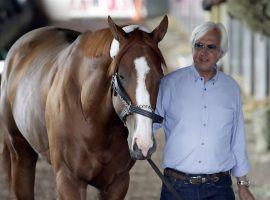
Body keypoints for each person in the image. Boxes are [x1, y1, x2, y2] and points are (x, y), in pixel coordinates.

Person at [154, 22, 255, 200]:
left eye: (211, 47)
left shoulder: (231, 88)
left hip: (220, 189)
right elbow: (146, 127)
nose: (203, 52)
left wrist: (242, 185)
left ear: (221, 53)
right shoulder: (169, 84)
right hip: (177, 188)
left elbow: (237, 140)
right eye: (198, 45)